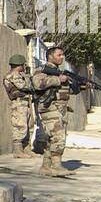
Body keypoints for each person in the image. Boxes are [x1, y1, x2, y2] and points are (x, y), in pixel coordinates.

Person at [31, 44, 74, 177]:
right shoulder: (42, 71)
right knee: (58, 137)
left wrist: (81, 86)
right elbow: (38, 84)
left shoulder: (60, 73)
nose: (62, 57)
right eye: (58, 55)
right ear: (50, 56)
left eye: (62, 55)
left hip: (60, 109)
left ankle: (46, 167)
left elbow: (66, 90)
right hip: (49, 108)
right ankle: (56, 166)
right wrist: (57, 80)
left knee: (52, 139)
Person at [3, 53, 38, 158]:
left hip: (25, 102)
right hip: (19, 103)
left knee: (29, 125)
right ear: (19, 65)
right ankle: (18, 151)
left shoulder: (20, 75)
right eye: (23, 65)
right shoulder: (12, 76)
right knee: (20, 125)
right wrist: (29, 78)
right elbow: (24, 86)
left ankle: (26, 148)